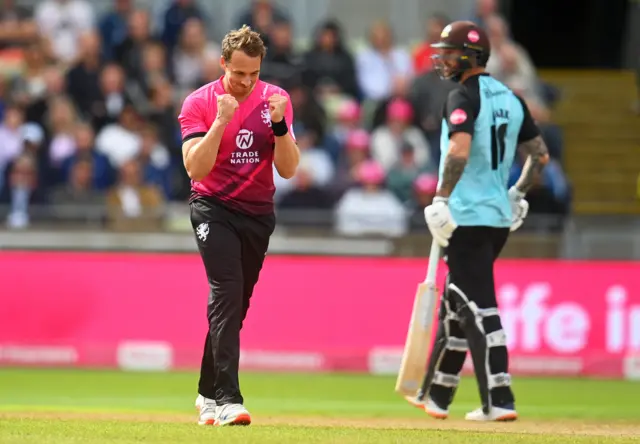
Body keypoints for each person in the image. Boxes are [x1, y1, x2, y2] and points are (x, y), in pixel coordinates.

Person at [406, 21, 549, 422]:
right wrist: (517, 193)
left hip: (465, 216)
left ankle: (499, 398)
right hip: (498, 217)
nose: (443, 59)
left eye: (450, 52)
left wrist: (440, 198)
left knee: (478, 305)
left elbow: (458, 151)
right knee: (456, 304)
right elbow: (539, 156)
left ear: (469, 57)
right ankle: (436, 394)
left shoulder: (461, 96)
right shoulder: (512, 98)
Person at [177, 25, 300, 426]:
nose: (246, 82)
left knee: (235, 306)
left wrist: (280, 126)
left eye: (254, 74)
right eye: (238, 74)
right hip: (212, 207)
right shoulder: (199, 102)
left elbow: (289, 168)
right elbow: (195, 167)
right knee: (226, 292)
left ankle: (205, 393)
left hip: (257, 214)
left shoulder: (276, 101)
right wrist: (220, 122)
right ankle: (229, 398)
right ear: (223, 64)